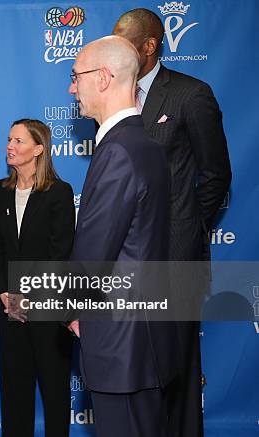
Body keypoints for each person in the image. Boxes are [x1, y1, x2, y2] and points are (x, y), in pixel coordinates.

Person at [113, 9, 232, 437]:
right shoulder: (114, 97)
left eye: (128, 43)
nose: (120, 51)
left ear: (150, 45)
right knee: (134, 373)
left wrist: (184, 223)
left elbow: (216, 174)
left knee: (177, 373)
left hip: (175, 259)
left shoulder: (190, 94)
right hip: (124, 263)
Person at [67, 36, 178, 437]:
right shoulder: (145, 144)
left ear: (104, 77)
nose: (70, 87)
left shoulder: (117, 151)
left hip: (121, 346)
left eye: (75, 76)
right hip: (142, 341)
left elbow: (93, 256)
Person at [0, 119, 75, 437]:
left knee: (55, 392)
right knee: (14, 392)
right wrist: (3, 294)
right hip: (10, 310)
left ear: (39, 149)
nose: (10, 146)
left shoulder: (59, 193)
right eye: (9, 139)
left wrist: (29, 295)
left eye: (19, 141)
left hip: (49, 309)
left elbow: (60, 254)